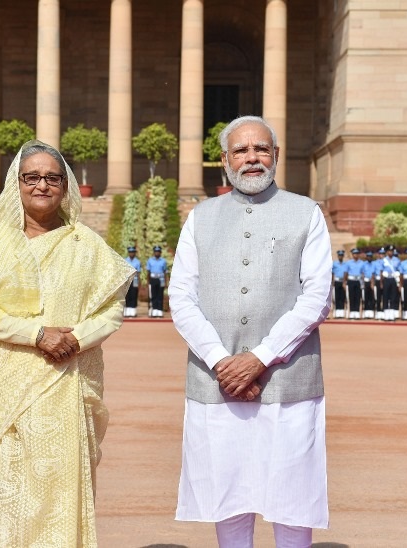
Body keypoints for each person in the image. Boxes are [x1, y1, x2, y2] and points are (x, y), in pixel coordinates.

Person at [0, 140, 135, 546]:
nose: (42, 185)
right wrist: (36, 334)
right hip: (7, 386)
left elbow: (111, 309)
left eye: (52, 177)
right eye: (31, 177)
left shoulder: (85, 244)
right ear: (15, 184)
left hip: (68, 381)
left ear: (65, 185)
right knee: (10, 486)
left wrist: (75, 339)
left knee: (61, 483)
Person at [169, 116, 331, 547]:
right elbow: (181, 298)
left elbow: (316, 296)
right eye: (240, 151)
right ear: (224, 160)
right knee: (230, 493)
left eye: (261, 149)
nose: (251, 158)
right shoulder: (200, 218)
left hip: (287, 377)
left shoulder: (306, 213)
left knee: (292, 495)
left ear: (275, 156)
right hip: (217, 379)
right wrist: (223, 362)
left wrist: (259, 357)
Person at [379, 245, 400, 322]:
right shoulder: (383, 260)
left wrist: (399, 282)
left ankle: (391, 315)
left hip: (393, 279)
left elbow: (399, 271)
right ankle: (386, 315)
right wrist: (381, 283)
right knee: (385, 296)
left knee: (393, 297)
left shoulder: (397, 260)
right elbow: (381, 272)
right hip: (386, 279)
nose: (390, 252)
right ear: (387, 252)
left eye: (392, 251)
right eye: (389, 251)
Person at [146, 245, 168, 317]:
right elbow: (148, 272)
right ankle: (154, 310)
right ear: (154, 252)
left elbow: (165, 272)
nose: (157, 253)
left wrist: (166, 282)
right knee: (153, 295)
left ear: (160, 252)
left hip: (161, 279)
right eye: (156, 252)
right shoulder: (150, 260)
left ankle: (159, 310)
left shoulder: (163, 261)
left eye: (158, 252)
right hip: (153, 279)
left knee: (160, 295)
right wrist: (148, 282)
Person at [345, 248, 364, 319]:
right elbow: (346, 273)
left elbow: (362, 273)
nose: (356, 255)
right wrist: (344, 282)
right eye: (354, 254)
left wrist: (362, 283)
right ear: (352, 255)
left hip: (358, 281)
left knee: (358, 297)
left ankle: (357, 312)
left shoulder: (362, 263)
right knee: (351, 296)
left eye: (357, 254)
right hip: (351, 281)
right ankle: (352, 312)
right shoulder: (349, 263)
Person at [123, 245, 141, 318]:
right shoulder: (125, 260)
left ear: (135, 253)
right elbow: (123, 272)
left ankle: (133, 310)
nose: (131, 253)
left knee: (134, 295)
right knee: (127, 295)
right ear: (128, 253)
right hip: (127, 280)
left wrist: (139, 282)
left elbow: (139, 272)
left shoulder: (137, 262)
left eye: (133, 252)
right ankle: (127, 310)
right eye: (130, 252)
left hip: (135, 279)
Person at [331, 249, 348, 318]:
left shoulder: (345, 264)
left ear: (343, 256)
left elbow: (346, 273)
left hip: (343, 282)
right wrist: (332, 282)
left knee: (342, 297)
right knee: (337, 297)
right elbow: (332, 273)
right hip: (337, 281)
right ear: (338, 256)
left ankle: (341, 311)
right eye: (339, 255)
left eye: (341, 255)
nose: (340, 256)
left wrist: (345, 282)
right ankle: (337, 311)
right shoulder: (334, 263)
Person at [362, 250, 377, 319]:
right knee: (365, 297)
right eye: (368, 256)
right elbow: (362, 274)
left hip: (372, 282)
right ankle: (366, 311)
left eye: (370, 256)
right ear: (366, 257)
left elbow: (373, 274)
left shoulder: (374, 264)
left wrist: (372, 283)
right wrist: (363, 283)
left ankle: (371, 311)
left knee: (371, 297)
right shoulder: (364, 264)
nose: (369, 258)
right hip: (366, 281)